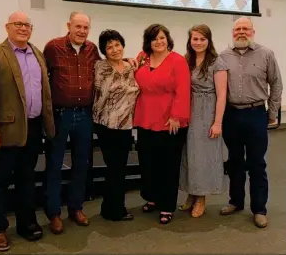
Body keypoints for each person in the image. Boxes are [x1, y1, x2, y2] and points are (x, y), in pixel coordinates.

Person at [43, 12, 137, 234]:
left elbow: (113, 63)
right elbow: (41, 75)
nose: (82, 31)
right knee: (54, 164)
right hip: (60, 114)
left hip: (84, 115)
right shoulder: (52, 47)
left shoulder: (92, 50)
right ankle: (54, 213)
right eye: (78, 26)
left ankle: (76, 208)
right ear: (69, 25)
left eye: (86, 27)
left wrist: (129, 59)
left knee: (81, 164)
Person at [0, 11, 55, 252]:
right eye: (18, 24)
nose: (23, 28)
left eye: (27, 25)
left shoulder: (37, 54)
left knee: (27, 178)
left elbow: (44, 93)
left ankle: (26, 223)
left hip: (33, 128)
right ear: (7, 27)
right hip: (5, 132)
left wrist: (49, 126)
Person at [219, 17, 283, 228]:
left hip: (256, 113)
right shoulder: (223, 56)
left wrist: (272, 112)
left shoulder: (266, 54)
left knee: (257, 163)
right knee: (235, 162)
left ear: (253, 31)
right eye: (238, 29)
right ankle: (235, 202)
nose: (241, 32)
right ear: (232, 32)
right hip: (232, 115)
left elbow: (276, 84)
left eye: (246, 28)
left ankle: (259, 209)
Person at [134, 24, 191, 224]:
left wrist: (176, 115)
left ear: (168, 39)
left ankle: (167, 205)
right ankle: (152, 197)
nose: (159, 42)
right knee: (148, 162)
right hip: (145, 118)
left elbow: (183, 90)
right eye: (154, 38)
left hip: (169, 121)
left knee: (168, 166)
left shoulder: (178, 60)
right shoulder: (143, 58)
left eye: (162, 38)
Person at [179, 24, 228, 217]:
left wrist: (217, 123)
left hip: (207, 113)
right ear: (190, 41)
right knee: (189, 155)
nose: (198, 43)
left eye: (202, 39)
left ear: (209, 41)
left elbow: (222, 95)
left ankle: (201, 198)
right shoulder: (186, 60)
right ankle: (192, 193)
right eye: (195, 39)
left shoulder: (217, 62)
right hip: (188, 111)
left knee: (204, 157)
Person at [93, 30, 140, 221]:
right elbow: (103, 92)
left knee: (119, 168)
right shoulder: (100, 67)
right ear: (104, 50)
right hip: (107, 125)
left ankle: (110, 207)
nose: (114, 49)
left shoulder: (130, 67)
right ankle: (115, 210)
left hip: (126, 125)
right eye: (109, 47)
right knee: (115, 167)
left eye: (117, 45)